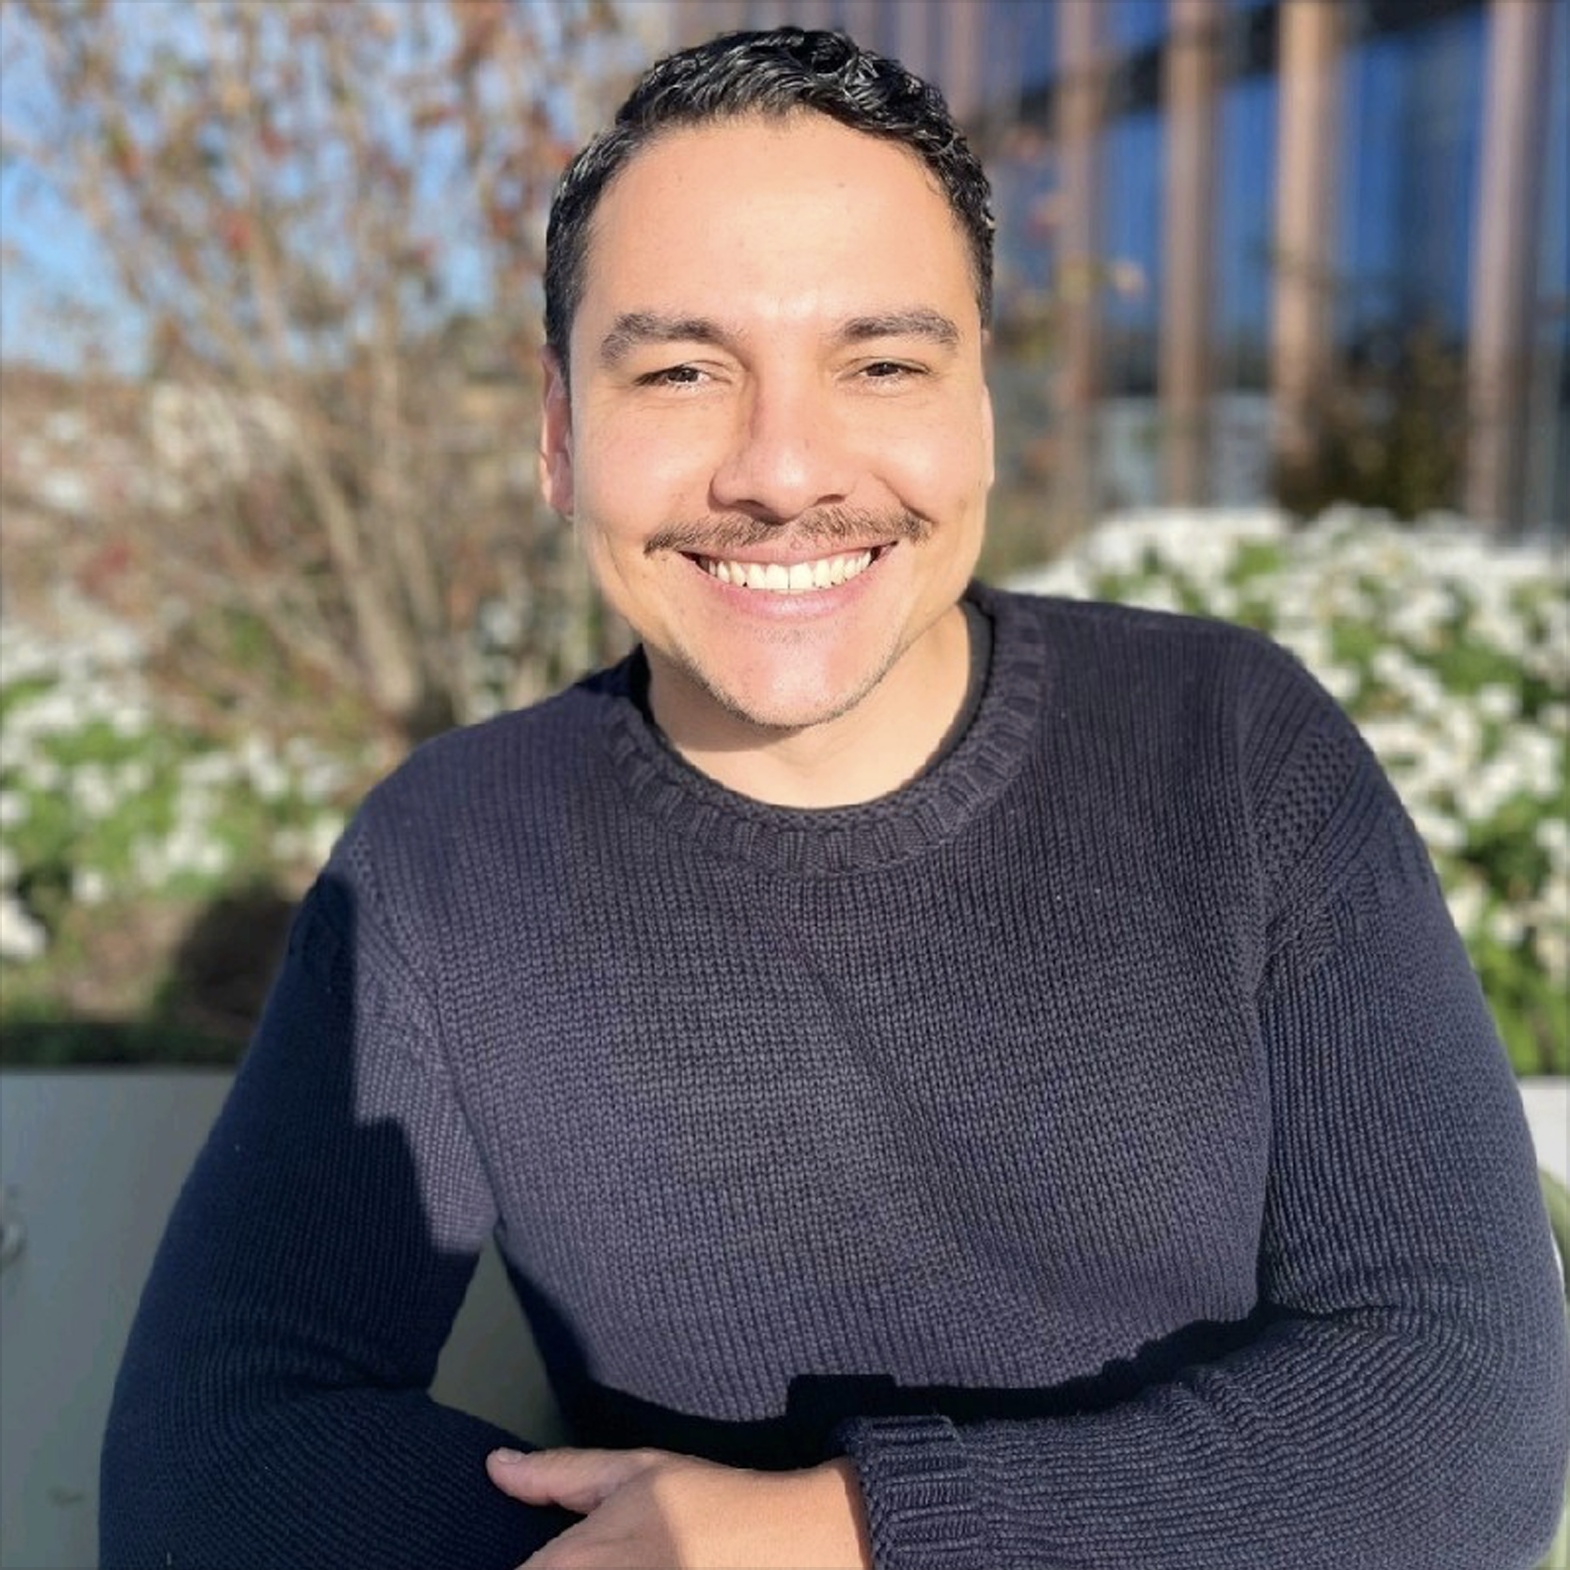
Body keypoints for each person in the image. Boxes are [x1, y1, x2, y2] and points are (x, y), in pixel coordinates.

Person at [100, 25, 1567, 1570]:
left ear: (981, 411)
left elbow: (1462, 1413)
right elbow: (215, 1458)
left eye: (880, 363)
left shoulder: (1229, 749)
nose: (784, 470)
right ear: (557, 432)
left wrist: (834, 1536)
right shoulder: (450, 858)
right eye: (680, 369)